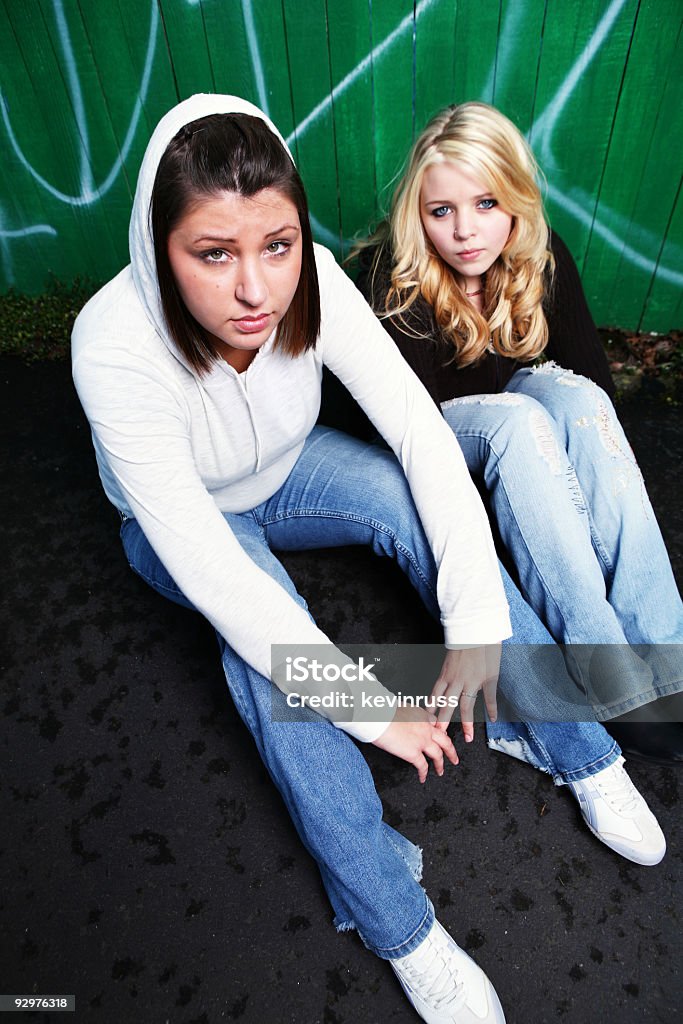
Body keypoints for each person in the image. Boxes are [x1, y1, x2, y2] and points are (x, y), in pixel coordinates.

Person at [71, 94, 663, 1024]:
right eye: (212, 254)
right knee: (265, 649)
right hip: (180, 522)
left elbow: (426, 443)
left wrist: (471, 627)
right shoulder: (111, 343)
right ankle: (400, 927)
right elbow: (216, 574)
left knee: (411, 504)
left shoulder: (312, 281)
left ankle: (582, 752)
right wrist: (367, 706)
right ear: (159, 248)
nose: (256, 289)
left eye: (276, 244)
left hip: (291, 467)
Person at [354, 100, 683, 768]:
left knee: (578, 397)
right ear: (416, 214)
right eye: (439, 211)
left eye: (484, 203)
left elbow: (594, 398)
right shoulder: (392, 279)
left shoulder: (537, 256)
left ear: (514, 200)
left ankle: (668, 658)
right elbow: (418, 448)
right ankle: (609, 680)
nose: (465, 231)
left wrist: (566, 486)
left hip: (522, 439)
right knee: (516, 415)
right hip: (425, 445)